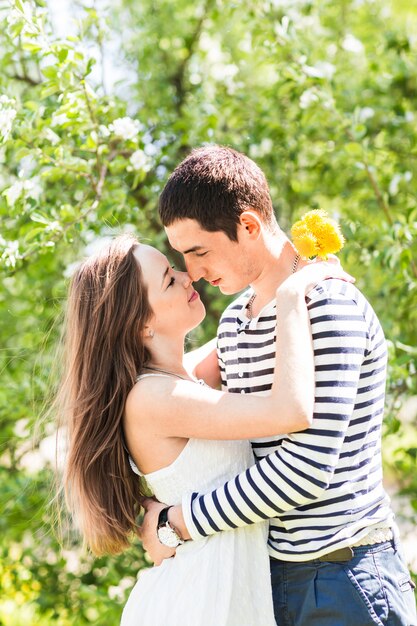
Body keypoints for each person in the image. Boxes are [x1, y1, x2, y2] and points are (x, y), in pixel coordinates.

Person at [140, 145, 417, 626]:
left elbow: (306, 470)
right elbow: (166, 398)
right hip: (271, 582)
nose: (196, 273)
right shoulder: (233, 325)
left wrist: (178, 522)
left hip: (344, 579)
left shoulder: (328, 303)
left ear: (248, 226)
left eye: (199, 251)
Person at [57, 232, 348, 625]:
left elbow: (245, 326)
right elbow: (291, 410)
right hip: (203, 598)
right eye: (168, 279)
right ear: (142, 324)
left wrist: (287, 264)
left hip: (230, 588)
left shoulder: (180, 378)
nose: (186, 276)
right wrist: (293, 294)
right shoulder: (154, 398)